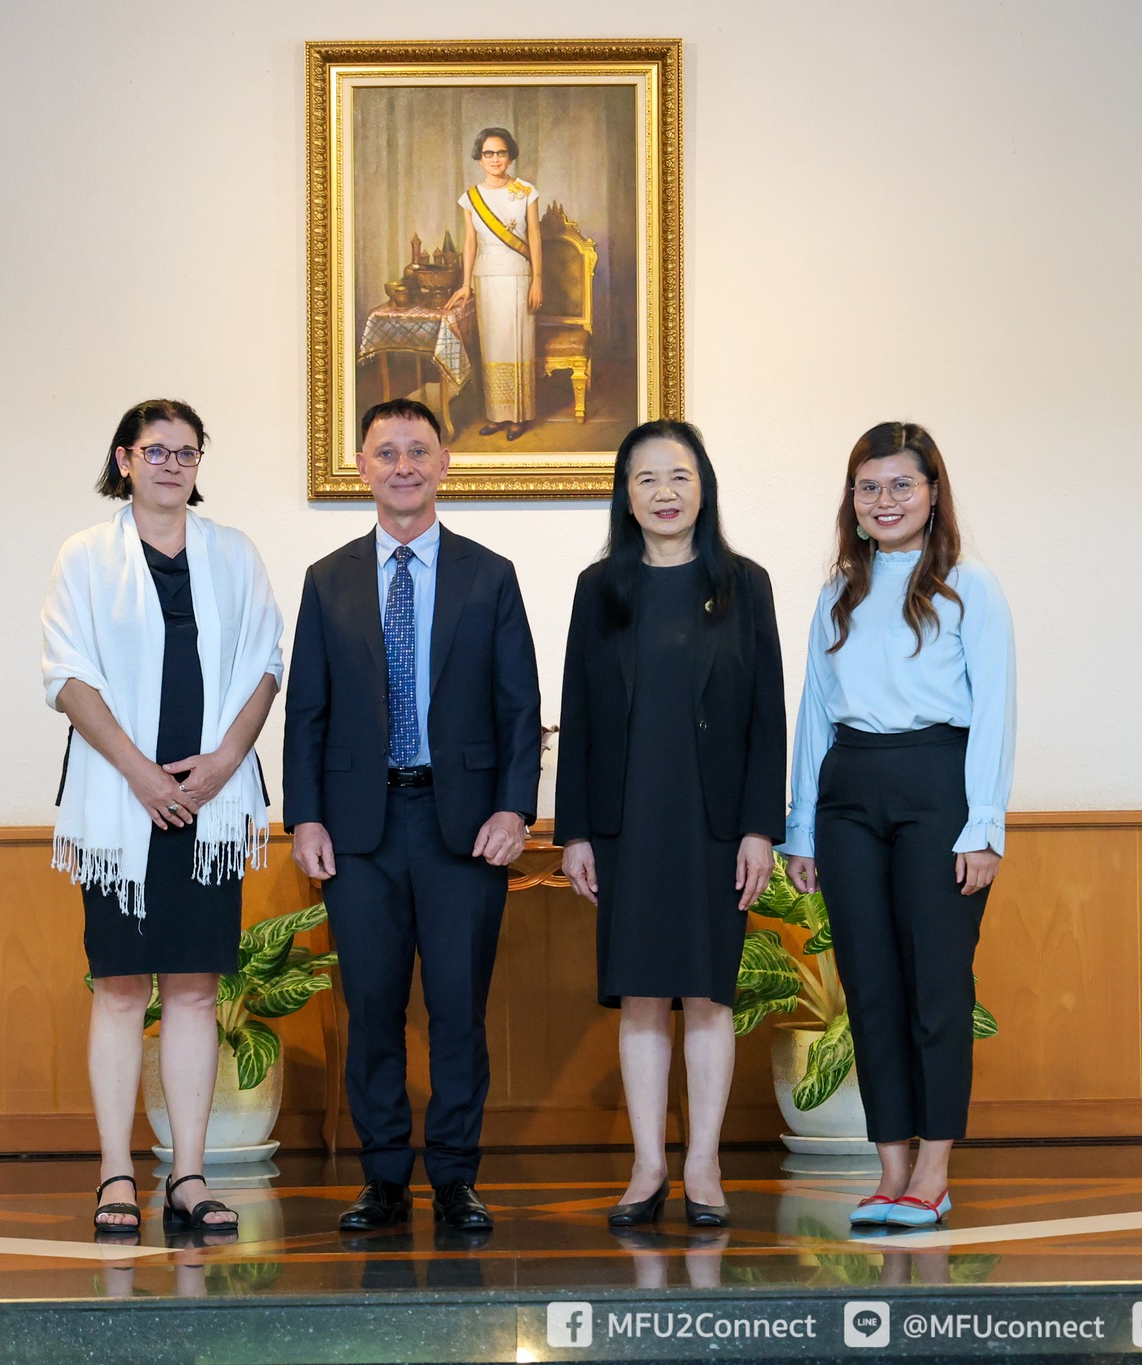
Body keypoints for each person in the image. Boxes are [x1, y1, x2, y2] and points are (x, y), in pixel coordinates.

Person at [283, 397, 543, 1233]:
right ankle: (385, 1175)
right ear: (362, 466)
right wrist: (306, 818)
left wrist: (515, 807)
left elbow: (519, 707)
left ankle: (457, 1176)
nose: (403, 465)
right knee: (373, 1009)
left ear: (444, 464)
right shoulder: (327, 581)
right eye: (386, 451)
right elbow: (307, 714)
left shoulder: (489, 574)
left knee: (460, 1008)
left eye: (418, 451)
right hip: (360, 831)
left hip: (463, 827)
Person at [40, 398, 284, 1240]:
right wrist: (143, 775)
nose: (174, 464)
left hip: (210, 806)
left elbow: (264, 667)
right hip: (120, 802)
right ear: (126, 458)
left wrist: (220, 766)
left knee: (193, 987)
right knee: (117, 988)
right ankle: (115, 1172)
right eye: (158, 450)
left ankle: (188, 1173)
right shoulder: (86, 555)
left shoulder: (233, 553)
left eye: (188, 451)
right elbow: (67, 675)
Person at [782, 421, 1015, 1230]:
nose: (884, 501)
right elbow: (813, 713)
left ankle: (934, 1171)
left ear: (933, 492)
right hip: (849, 791)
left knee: (937, 989)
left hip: (936, 788)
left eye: (900, 485)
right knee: (870, 988)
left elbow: (995, 712)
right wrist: (800, 830)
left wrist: (983, 826)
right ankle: (889, 1169)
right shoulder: (835, 593)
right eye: (868, 487)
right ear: (852, 499)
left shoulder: (968, 586)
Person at [555, 421, 785, 1229]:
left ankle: (704, 1163)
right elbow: (577, 716)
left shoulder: (745, 585)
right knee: (642, 997)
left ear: (704, 487)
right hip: (627, 821)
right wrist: (574, 831)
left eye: (679, 476)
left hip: (716, 823)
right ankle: (649, 1165)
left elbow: (768, 718)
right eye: (646, 477)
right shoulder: (599, 587)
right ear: (625, 493)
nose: (663, 492)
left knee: (708, 995)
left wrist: (762, 827)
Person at [446, 127, 542, 441]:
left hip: (518, 276)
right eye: (488, 153)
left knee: (516, 343)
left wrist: (537, 280)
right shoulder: (470, 197)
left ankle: (519, 416)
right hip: (485, 279)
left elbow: (535, 239)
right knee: (493, 346)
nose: (495, 159)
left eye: (501, 152)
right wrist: (465, 284)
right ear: (479, 158)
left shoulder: (526, 190)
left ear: (510, 155)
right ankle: (497, 416)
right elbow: (470, 242)